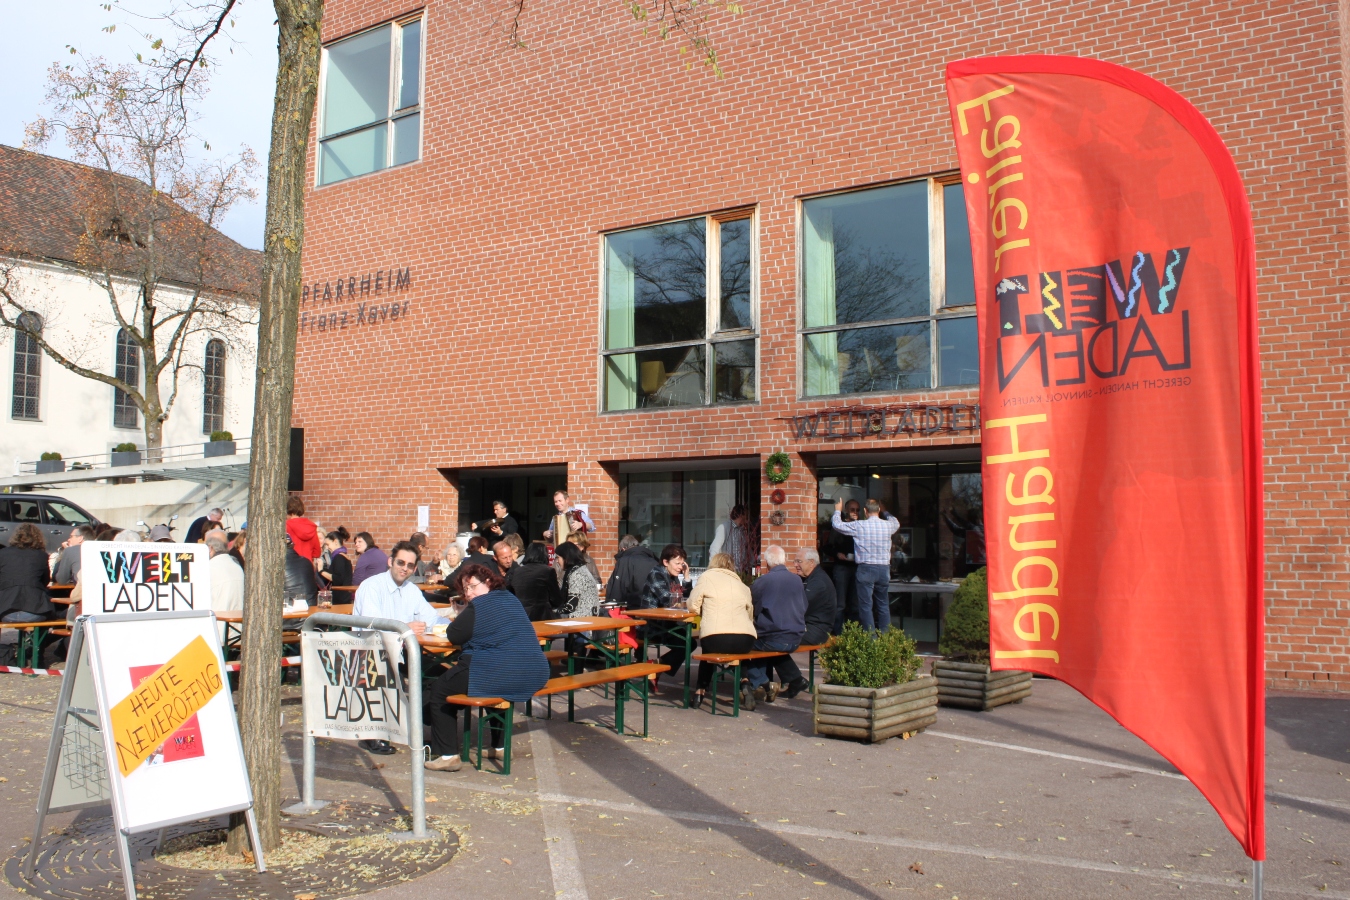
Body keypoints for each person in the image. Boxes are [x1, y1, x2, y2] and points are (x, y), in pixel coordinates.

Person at [425, 564, 550, 771]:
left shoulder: (479, 605)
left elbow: (454, 634)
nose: (469, 593)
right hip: (534, 672)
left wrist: (462, 613)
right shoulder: (510, 598)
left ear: (489, 582)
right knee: (496, 688)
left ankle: (448, 756)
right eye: (465, 589)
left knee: (439, 690)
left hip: (501, 670)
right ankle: (499, 747)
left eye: (472, 586)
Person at [353, 540, 450, 755]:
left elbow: (432, 618)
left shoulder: (411, 590)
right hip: (370, 649)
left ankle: (418, 726)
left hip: (403, 650)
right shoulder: (372, 586)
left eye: (410, 565)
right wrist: (405, 627)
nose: (404, 568)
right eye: (400, 562)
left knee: (439, 675)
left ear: (415, 569)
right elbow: (372, 624)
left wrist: (454, 626)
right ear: (390, 562)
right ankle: (372, 734)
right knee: (384, 673)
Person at [742, 545, 807, 708]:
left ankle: (761, 682)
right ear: (784, 560)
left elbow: (752, 608)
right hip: (797, 636)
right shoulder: (797, 580)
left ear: (767, 563)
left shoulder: (763, 581)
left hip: (773, 637)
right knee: (772, 646)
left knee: (743, 645)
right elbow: (804, 606)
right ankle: (795, 678)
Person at [688, 552, 756, 709]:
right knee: (739, 652)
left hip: (716, 637)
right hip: (746, 638)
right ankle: (745, 682)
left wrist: (704, 611)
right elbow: (750, 614)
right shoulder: (742, 585)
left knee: (707, 653)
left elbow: (692, 605)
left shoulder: (707, 577)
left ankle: (700, 691)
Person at [830, 497, 900, 631]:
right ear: (878, 510)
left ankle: (870, 637)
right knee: (883, 604)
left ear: (865, 511)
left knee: (865, 605)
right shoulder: (888, 525)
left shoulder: (860, 525)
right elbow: (896, 522)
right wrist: (885, 512)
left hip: (866, 568)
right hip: (883, 568)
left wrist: (838, 510)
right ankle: (885, 636)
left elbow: (837, 525)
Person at [0, 523, 57, 666]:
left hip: (5, 611)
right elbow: (45, 581)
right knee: (52, 612)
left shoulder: (3, 553)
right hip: (35, 611)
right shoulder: (41, 556)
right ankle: (37, 657)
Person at [637, 544, 692, 685]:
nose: (680, 567)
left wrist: (686, 578)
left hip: (666, 625)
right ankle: (656, 669)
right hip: (651, 626)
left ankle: (656, 666)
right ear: (665, 562)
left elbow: (686, 598)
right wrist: (684, 602)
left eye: (682, 564)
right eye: (677, 563)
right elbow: (668, 600)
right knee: (686, 643)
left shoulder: (673, 577)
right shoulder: (656, 574)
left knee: (689, 642)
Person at [825, 499, 861, 633]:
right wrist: (837, 553)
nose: (855, 512)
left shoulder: (861, 526)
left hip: (857, 567)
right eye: (852, 509)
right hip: (842, 567)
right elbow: (827, 547)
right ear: (846, 510)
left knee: (855, 603)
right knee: (840, 603)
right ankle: (837, 634)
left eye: (857, 510)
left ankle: (853, 634)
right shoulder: (839, 527)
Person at [506, 542, 561, 621]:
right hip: (542, 615)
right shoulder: (548, 571)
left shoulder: (517, 571)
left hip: (521, 615)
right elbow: (556, 599)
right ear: (545, 554)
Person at [795, 547, 837, 647]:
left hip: (815, 631)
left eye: (799, 561)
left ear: (811, 563)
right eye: (795, 561)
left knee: (776, 638)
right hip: (807, 626)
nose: (795, 565)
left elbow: (799, 605)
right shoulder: (809, 578)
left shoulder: (819, 582)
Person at [606, 534, 660, 610]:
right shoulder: (654, 561)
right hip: (654, 606)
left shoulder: (624, 561)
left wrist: (610, 607)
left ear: (623, 549)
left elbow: (617, 587)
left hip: (632, 607)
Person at [206, 534, 244, 635]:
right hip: (239, 631)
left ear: (210, 548)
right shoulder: (236, 565)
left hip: (218, 631)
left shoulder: (208, 568)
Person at [555, 542, 600, 618]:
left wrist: (553, 611)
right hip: (586, 616)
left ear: (566, 558)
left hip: (582, 618)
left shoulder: (577, 574)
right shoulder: (579, 569)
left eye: (558, 557)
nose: (557, 561)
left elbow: (571, 606)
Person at [708, 504, 753, 573]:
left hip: (741, 571)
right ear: (741, 515)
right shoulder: (723, 528)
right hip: (727, 571)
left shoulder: (742, 530)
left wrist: (752, 563)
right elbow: (714, 548)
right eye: (746, 516)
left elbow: (747, 550)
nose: (747, 520)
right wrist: (714, 569)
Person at [283, 535, 319, 607]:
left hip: (289, 609)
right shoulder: (306, 562)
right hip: (310, 608)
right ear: (292, 545)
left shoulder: (277, 565)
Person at [285, 495, 321, 563]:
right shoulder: (311, 526)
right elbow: (317, 552)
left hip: (291, 564)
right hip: (307, 564)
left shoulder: (286, 526)